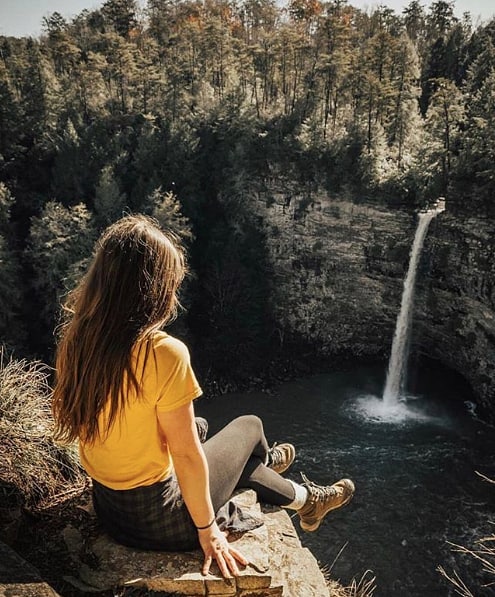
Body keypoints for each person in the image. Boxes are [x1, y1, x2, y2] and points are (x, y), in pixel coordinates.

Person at [52, 214, 355, 579]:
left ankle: (285, 487)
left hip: (113, 509)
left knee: (199, 425)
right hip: (164, 520)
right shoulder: (162, 353)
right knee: (249, 425)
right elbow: (185, 454)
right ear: (153, 289)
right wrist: (208, 529)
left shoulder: (79, 337)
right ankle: (296, 494)